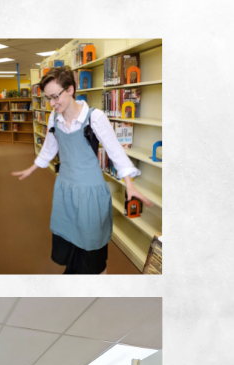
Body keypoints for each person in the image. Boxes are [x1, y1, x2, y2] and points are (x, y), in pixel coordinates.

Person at [11, 66, 153, 275]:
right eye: (48, 98)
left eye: (55, 96)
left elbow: (116, 152)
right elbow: (49, 149)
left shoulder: (94, 117)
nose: (51, 103)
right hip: (65, 190)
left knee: (93, 254)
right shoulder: (54, 118)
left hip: (90, 194)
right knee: (72, 245)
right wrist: (32, 168)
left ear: (70, 89)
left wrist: (129, 184)